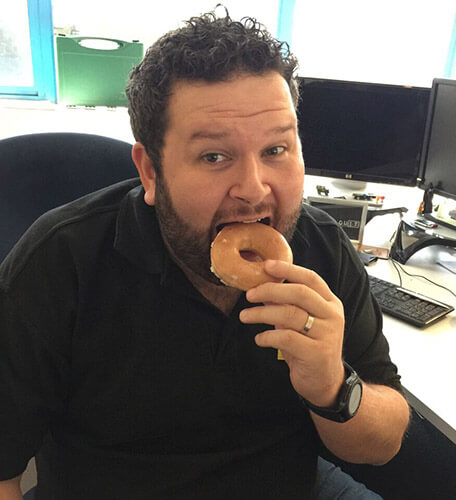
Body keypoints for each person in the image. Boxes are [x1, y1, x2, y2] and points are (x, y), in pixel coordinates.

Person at [0, 10, 409, 500]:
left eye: (276, 150)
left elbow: (382, 445)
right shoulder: (61, 262)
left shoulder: (319, 247)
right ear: (151, 172)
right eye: (214, 156)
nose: (254, 189)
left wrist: (333, 387)